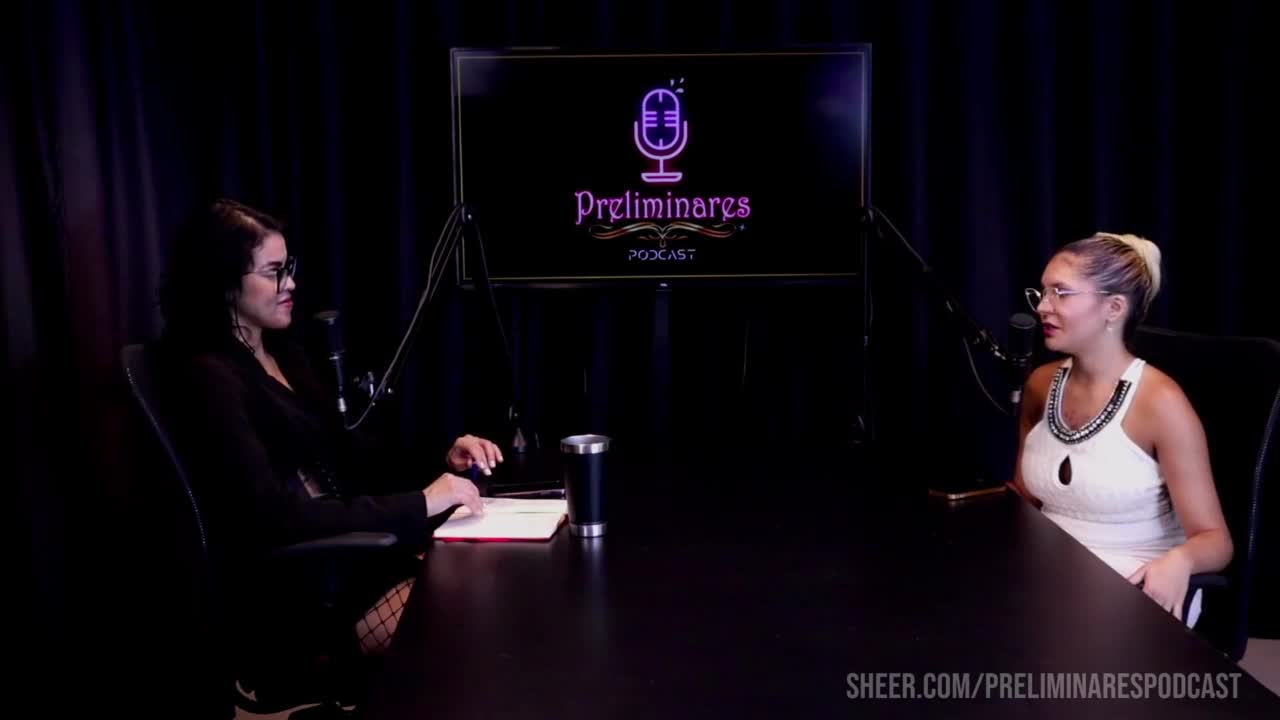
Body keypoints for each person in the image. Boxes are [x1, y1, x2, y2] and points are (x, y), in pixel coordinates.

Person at [156, 198, 502, 663]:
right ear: (224, 282)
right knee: (485, 617)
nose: (290, 283)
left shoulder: (283, 354)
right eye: (273, 272)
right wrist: (421, 503)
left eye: (289, 268)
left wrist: (442, 459)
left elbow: (354, 453)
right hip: (309, 593)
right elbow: (273, 517)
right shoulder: (209, 379)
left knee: (500, 580)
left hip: (355, 561)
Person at [1009, 232, 1232, 627]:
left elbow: (1216, 541)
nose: (1042, 306)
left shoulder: (1161, 403)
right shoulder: (1041, 384)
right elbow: (1024, 500)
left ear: (1113, 307)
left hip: (1134, 587)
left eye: (1061, 293)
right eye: (1042, 292)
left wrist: (1180, 561)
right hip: (1048, 580)